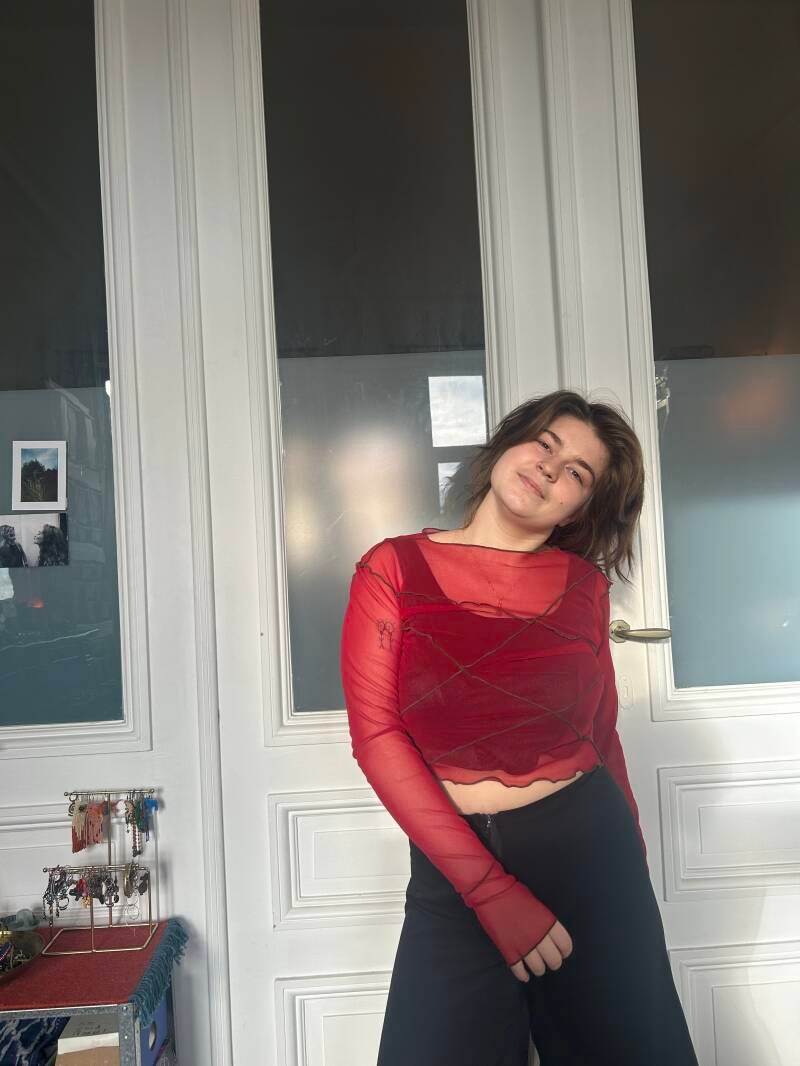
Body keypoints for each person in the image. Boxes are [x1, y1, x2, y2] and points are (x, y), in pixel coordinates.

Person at [339, 389, 699, 1065]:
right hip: (455, 868)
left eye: (577, 473)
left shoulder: (584, 588)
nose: (549, 469)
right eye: (545, 444)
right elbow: (377, 736)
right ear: (510, 441)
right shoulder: (392, 568)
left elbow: (602, 737)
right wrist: (487, 889)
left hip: (592, 858)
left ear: (581, 509)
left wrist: (633, 876)